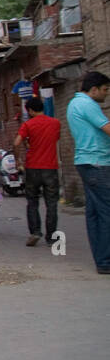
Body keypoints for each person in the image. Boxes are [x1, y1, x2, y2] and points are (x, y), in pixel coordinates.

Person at [67, 71, 110, 275]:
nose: (106, 94)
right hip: (97, 162)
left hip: (86, 162)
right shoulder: (88, 104)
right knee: (106, 213)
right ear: (93, 90)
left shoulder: (75, 103)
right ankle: (105, 260)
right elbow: (107, 127)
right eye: (105, 89)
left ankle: (102, 259)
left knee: (95, 213)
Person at [15, 95, 61, 246]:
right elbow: (56, 139)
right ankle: (51, 236)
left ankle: (35, 232)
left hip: (32, 168)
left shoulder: (28, 125)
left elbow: (17, 142)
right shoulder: (55, 123)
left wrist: (18, 160)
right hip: (50, 169)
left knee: (32, 201)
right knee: (52, 203)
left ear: (30, 110)